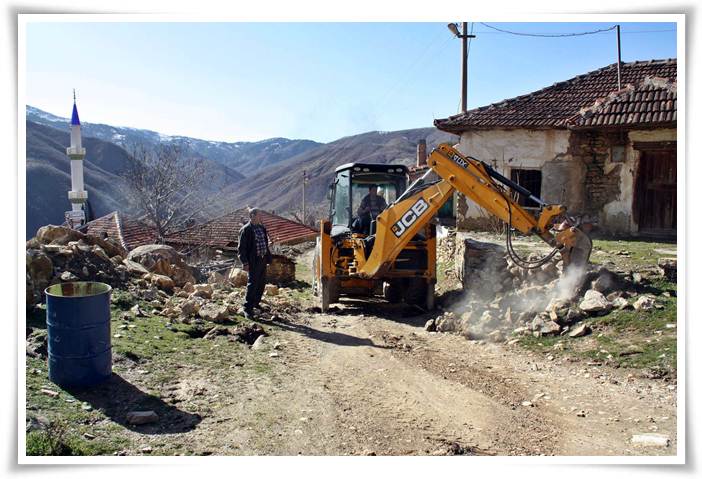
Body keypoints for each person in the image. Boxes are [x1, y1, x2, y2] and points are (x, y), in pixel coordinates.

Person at [238, 207, 272, 320]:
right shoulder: (246, 230)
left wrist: (268, 258)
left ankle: (256, 303)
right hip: (253, 260)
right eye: (259, 215)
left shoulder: (262, 228)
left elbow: (265, 244)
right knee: (252, 284)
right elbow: (241, 249)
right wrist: (245, 263)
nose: (261, 217)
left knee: (261, 283)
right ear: (252, 216)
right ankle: (247, 308)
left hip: (262, 259)